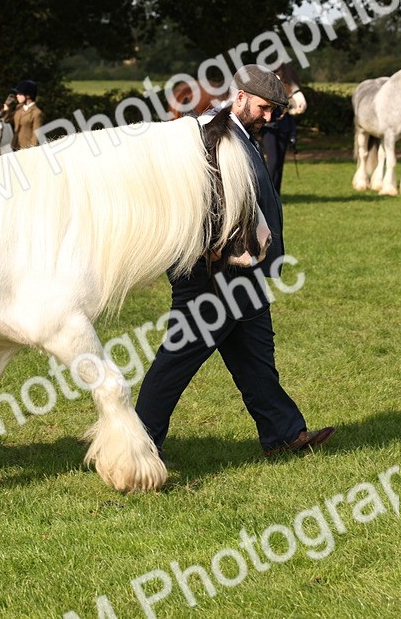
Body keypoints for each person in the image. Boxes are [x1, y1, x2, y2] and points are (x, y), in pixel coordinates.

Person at [135, 64, 335, 461]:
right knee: (179, 358)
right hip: (211, 272)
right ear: (240, 96)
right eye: (263, 108)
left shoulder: (237, 131)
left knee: (255, 354)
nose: (269, 117)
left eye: (275, 110)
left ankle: (283, 433)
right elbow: (192, 194)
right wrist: (212, 247)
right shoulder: (210, 133)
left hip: (242, 270)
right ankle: (137, 442)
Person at [258, 63, 308, 194]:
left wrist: (293, 134)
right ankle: (268, 192)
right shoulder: (269, 90)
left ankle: (276, 194)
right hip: (270, 130)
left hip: (283, 129)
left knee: (279, 164)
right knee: (273, 162)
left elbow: (289, 116)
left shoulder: (285, 93)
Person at [3, 79, 44, 151]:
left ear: (27, 96)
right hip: (14, 148)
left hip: (27, 149)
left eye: (20, 94)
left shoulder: (36, 113)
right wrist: (7, 108)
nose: (17, 96)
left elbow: (36, 136)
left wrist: (31, 151)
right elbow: (7, 120)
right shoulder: (19, 108)